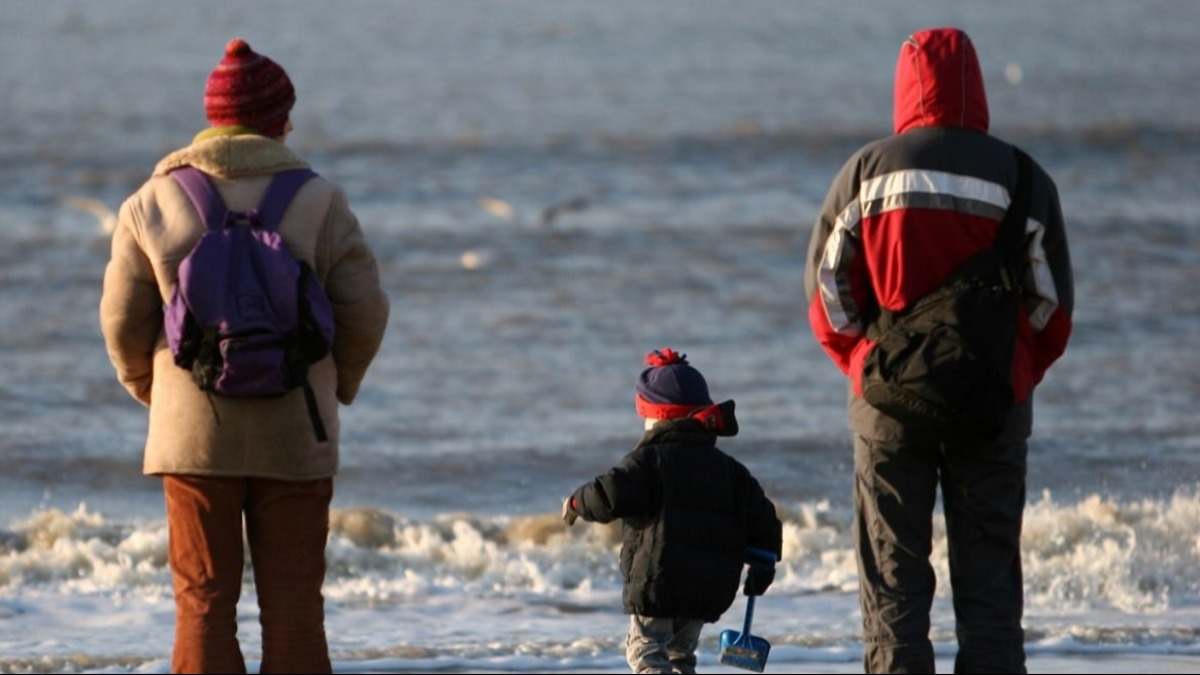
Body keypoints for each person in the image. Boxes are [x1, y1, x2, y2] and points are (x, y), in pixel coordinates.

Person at [99, 38, 389, 673]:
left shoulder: (153, 201)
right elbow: (366, 311)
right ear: (279, 120)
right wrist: (336, 385)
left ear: (213, 119)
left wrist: (154, 393)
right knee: (294, 607)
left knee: (202, 602)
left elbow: (121, 321)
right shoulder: (320, 200)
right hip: (296, 431)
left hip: (193, 436)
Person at [804, 27, 1073, 673]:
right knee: (990, 597)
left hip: (889, 406)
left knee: (894, 587)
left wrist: (868, 362)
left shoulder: (866, 172)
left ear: (904, 85)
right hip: (993, 403)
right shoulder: (1021, 175)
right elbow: (1051, 306)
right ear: (976, 86)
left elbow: (827, 298)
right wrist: (1014, 370)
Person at [561, 348, 783, 674]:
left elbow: (608, 494)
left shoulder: (649, 462)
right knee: (681, 657)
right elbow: (764, 519)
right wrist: (763, 564)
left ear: (656, 417)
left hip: (658, 585)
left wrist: (577, 502)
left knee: (647, 655)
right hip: (707, 589)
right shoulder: (730, 470)